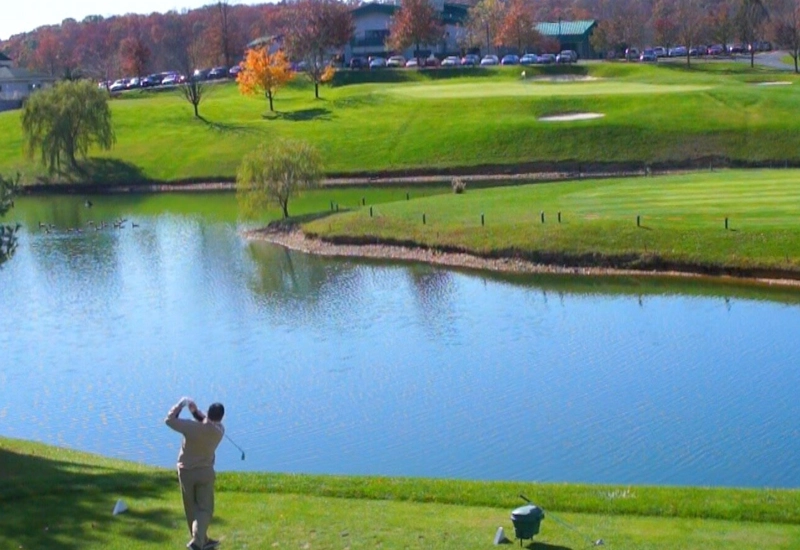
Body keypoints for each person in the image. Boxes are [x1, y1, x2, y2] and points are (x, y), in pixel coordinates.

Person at [165, 397, 225, 550]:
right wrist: (195, 412)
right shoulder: (219, 431)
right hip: (205, 472)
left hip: (185, 472)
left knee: (191, 507)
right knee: (205, 509)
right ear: (221, 417)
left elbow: (169, 420)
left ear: (208, 413)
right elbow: (207, 422)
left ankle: (199, 541)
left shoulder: (190, 427)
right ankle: (199, 542)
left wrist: (181, 404)